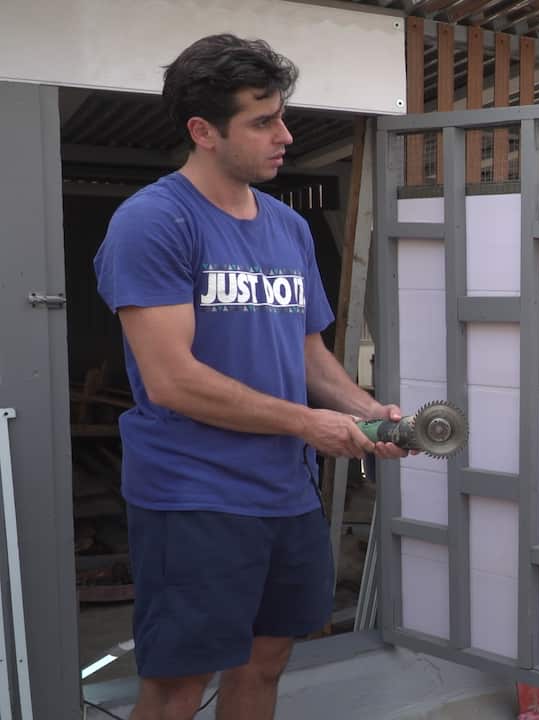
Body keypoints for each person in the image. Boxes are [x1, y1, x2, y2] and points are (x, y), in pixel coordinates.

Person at [93, 34, 407, 720]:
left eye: (282, 116)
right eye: (262, 121)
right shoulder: (154, 222)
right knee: (177, 683)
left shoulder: (287, 229)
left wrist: (368, 412)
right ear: (203, 131)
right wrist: (310, 423)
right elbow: (173, 380)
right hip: (192, 496)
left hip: (283, 492)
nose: (285, 136)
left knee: (265, 664)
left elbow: (307, 354)